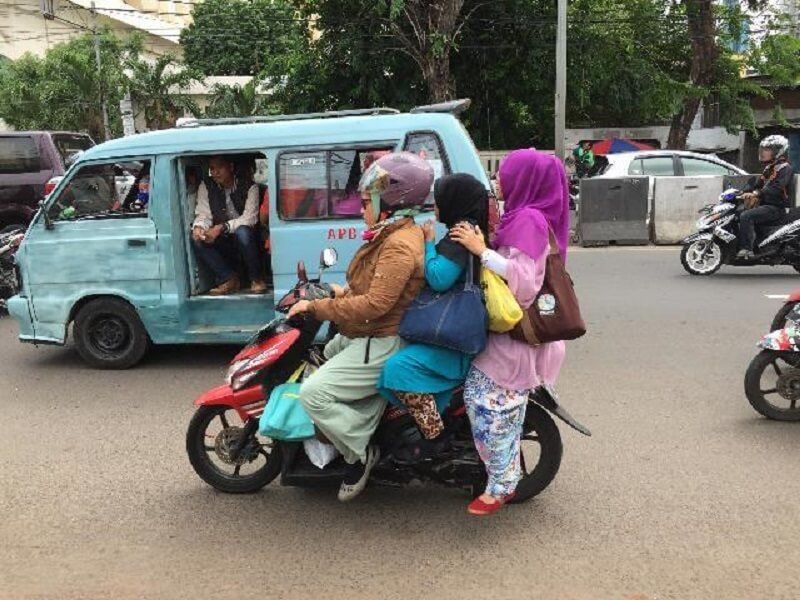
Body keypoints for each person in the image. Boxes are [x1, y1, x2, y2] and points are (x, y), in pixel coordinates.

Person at [286, 152, 433, 502]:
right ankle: (354, 427)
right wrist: (342, 292)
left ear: (389, 202)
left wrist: (319, 307)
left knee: (313, 394)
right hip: (367, 334)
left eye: (367, 201)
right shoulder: (391, 234)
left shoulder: (398, 244)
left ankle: (360, 450)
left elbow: (377, 305)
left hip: (382, 340)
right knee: (317, 360)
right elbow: (374, 289)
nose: (360, 208)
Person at [450, 148, 569, 516]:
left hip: (516, 338)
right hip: (509, 332)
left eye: (507, 173)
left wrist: (481, 250)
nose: (500, 179)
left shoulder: (530, 220)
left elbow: (524, 283)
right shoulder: (522, 216)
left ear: (526, 180)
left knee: (483, 400)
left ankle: (502, 483)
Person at [377, 173, 489, 462]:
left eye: (439, 202)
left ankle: (435, 436)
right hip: (451, 330)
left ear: (455, 202)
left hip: (451, 337)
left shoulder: (459, 234)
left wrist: (427, 245)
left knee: (397, 369)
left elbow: (439, 277)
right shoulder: (467, 229)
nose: (435, 208)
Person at [192, 156, 267, 295]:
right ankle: (229, 279)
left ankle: (256, 279)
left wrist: (222, 227)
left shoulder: (250, 187)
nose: (215, 172)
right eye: (212, 169)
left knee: (242, 232)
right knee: (198, 240)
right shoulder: (206, 186)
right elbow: (204, 214)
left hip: (249, 241)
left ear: (231, 167)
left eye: (220, 167)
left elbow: (249, 218)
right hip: (224, 241)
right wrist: (199, 227)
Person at [737, 135, 794, 261]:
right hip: (766, 206)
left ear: (778, 151)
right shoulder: (770, 168)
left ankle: (746, 249)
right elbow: (758, 184)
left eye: (767, 149)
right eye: (763, 149)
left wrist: (757, 194)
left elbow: (776, 187)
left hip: (777, 208)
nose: (763, 152)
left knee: (746, 216)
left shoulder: (785, 168)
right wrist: (741, 192)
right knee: (739, 213)